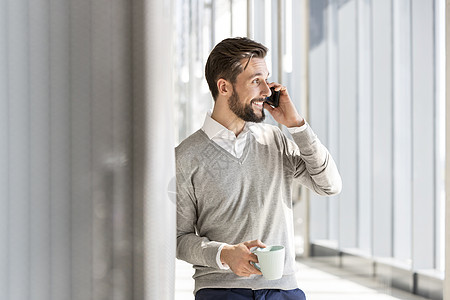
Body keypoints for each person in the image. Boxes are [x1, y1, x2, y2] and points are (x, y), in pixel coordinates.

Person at [176, 37, 342, 300]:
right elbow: (179, 238)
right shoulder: (186, 156)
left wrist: (298, 126)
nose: (267, 91)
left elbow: (329, 185)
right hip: (220, 291)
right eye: (256, 81)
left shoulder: (274, 140)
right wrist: (224, 254)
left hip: (284, 289)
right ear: (224, 87)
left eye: (267, 79)